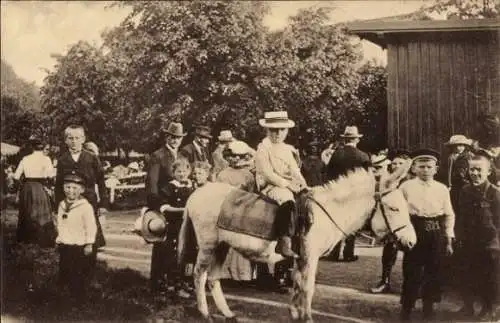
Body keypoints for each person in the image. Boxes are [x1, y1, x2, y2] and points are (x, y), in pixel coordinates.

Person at [398, 149, 455, 321]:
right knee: (411, 271)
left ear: (436, 169)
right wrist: (400, 235)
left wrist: (448, 239)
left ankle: (428, 310)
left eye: (429, 167)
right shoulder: (405, 187)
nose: (425, 170)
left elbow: (449, 214)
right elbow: (399, 213)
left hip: (435, 230)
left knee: (433, 270)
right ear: (414, 168)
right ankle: (406, 309)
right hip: (414, 229)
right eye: (421, 166)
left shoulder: (442, 189)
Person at [454, 149, 500, 321]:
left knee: (489, 278)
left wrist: (495, 244)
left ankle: (489, 309)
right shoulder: (465, 191)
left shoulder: (494, 193)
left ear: (488, 171)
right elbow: (461, 217)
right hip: (468, 241)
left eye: (479, 170)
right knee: (466, 274)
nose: (474, 173)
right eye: (472, 169)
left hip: (489, 244)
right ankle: (468, 307)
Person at [255, 111, 307, 259]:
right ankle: (284, 241)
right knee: (288, 202)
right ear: (267, 130)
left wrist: (303, 184)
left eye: (281, 130)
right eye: (273, 130)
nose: (277, 133)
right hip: (270, 185)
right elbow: (267, 173)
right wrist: (288, 185)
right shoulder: (263, 148)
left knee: (306, 201)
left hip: (287, 184)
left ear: (286, 131)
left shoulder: (286, 148)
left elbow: (294, 170)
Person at [145, 121, 186, 293]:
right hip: (164, 202)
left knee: (180, 243)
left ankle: (176, 280)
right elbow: (152, 183)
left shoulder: (183, 155)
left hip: (180, 204)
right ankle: (158, 282)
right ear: (167, 137)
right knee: (162, 243)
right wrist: (157, 205)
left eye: (178, 138)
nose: (175, 140)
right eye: (172, 137)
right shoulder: (158, 156)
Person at [55, 125, 108, 250]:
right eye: (70, 138)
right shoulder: (62, 160)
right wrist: (58, 204)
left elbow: (101, 181)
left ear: (83, 139)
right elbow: (58, 184)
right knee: (71, 233)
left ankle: (90, 260)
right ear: (65, 140)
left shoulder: (91, 158)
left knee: (90, 230)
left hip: (89, 199)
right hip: (69, 201)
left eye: (77, 138)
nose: (74, 141)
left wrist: (104, 203)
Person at [324, 126, 370, 262]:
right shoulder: (363, 156)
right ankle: (348, 253)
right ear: (356, 140)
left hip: (338, 193)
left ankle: (334, 253)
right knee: (352, 223)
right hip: (355, 195)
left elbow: (328, 176)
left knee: (336, 221)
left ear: (344, 140)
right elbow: (368, 178)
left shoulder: (337, 154)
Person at [370, 149, 411, 294]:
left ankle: (410, 284)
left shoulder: (410, 182)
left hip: (407, 222)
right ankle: (385, 281)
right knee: (389, 251)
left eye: (400, 163)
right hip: (393, 223)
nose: (396, 166)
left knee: (411, 254)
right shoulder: (387, 181)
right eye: (394, 164)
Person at [217, 140, 257, 285]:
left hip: (244, 209)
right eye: (231, 156)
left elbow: (252, 194)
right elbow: (220, 192)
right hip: (228, 208)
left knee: (242, 241)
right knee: (227, 239)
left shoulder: (248, 175)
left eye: (238, 156)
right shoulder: (223, 174)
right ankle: (225, 273)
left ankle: (243, 274)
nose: (234, 159)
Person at [55, 170, 97, 303]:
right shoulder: (62, 205)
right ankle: (63, 296)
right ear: (63, 188)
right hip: (65, 244)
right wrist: (59, 238)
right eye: (67, 187)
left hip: (78, 245)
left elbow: (91, 226)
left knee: (78, 273)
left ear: (81, 190)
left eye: (74, 188)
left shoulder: (85, 207)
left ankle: (79, 298)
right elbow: (61, 223)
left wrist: (89, 243)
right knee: (64, 269)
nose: (70, 191)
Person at [159, 158, 195, 298]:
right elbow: (165, 208)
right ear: (173, 172)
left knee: (191, 253)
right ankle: (174, 283)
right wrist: (182, 210)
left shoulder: (193, 187)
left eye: (185, 171)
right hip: (175, 225)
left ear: (189, 172)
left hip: (190, 226)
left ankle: (188, 281)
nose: (182, 174)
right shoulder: (169, 187)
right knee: (175, 254)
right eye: (178, 171)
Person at [14, 136, 55, 248]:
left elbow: (16, 176)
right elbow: (51, 176)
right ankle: (41, 238)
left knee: (27, 210)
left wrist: (21, 186)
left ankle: (26, 238)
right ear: (42, 148)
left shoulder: (25, 159)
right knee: (41, 211)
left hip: (27, 187)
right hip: (39, 186)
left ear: (32, 147)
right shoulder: (46, 159)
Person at [444, 135, 473, 211]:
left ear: (465, 146)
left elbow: (471, 168)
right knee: (455, 202)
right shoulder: (451, 157)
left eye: (461, 145)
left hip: (466, 181)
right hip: (455, 183)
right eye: (455, 146)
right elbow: (449, 171)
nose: (458, 148)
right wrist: (449, 184)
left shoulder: (469, 156)